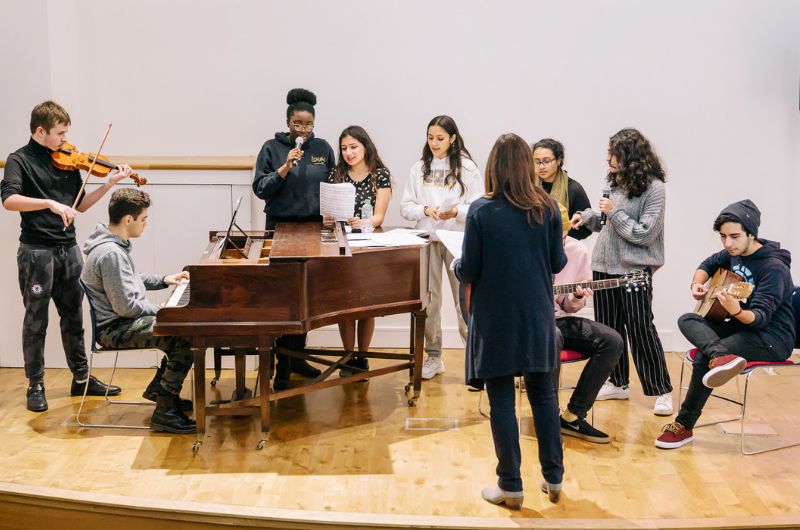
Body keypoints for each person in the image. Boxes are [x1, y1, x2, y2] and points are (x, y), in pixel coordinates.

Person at [455, 133, 567, 508]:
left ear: (493, 167)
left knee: (501, 402)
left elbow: (469, 268)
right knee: (544, 397)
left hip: (495, 319)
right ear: (525, 166)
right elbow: (557, 263)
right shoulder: (547, 208)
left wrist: (457, 265)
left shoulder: (481, 211)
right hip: (537, 316)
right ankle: (554, 479)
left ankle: (511, 486)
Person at [1, 100, 132, 412]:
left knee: (74, 315)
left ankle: (82, 378)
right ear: (40, 131)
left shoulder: (68, 161)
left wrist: (109, 184)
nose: (64, 139)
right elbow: (9, 200)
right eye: (59, 133)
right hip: (37, 252)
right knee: (36, 320)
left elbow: (80, 205)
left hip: (68, 249)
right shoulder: (19, 160)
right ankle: (35, 384)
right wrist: (49, 203)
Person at [656, 200, 795, 449]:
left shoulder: (774, 268)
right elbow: (708, 264)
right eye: (723, 237)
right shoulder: (734, 254)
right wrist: (696, 284)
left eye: (734, 236)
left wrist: (736, 310)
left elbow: (760, 318)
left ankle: (684, 425)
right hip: (742, 327)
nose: (728, 243)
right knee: (687, 319)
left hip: (771, 338)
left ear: (751, 234)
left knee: (703, 355)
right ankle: (720, 356)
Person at [571, 128, 673, 416]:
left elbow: (644, 234)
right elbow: (608, 225)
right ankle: (618, 382)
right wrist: (587, 217)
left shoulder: (655, 189)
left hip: (634, 271)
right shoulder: (615, 182)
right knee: (609, 330)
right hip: (603, 267)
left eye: (612, 153)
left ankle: (661, 390)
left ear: (631, 155)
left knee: (641, 329)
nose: (608, 158)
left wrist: (614, 211)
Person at [80, 188, 195, 434]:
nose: (146, 224)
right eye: (143, 219)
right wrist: (165, 310)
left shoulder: (113, 246)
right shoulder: (110, 253)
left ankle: (159, 391)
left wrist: (164, 280)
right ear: (128, 219)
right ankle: (165, 411)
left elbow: (131, 279)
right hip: (114, 329)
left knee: (178, 328)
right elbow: (126, 307)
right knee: (185, 336)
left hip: (119, 322)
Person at [252, 88, 335, 390]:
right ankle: (282, 365)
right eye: (297, 124)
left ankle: (298, 358)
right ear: (288, 122)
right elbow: (260, 188)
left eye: (308, 124)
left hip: (312, 230)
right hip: (280, 229)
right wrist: (285, 167)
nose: (303, 129)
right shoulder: (271, 148)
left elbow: (332, 184)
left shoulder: (323, 148)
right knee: (282, 300)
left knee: (306, 298)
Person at [400, 115, 483, 380]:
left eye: (440, 138)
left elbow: (478, 206)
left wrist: (456, 212)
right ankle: (434, 356)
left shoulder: (467, 168)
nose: (434, 143)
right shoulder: (418, 168)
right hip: (427, 239)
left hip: (458, 241)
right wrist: (425, 210)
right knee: (430, 300)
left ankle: (475, 357)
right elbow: (406, 207)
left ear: (453, 138)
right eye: (430, 138)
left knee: (465, 300)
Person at [553, 204, 623, 444]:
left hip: (558, 318)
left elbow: (568, 306)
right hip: (527, 322)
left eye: (563, 235)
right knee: (552, 337)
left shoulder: (577, 251)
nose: (559, 241)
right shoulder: (521, 249)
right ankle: (548, 415)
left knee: (612, 341)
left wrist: (576, 296)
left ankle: (573, 416)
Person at [326, 126, 392, 376]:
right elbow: (328, 212)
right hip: (341, 244)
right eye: (344, 148)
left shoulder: (380, 175)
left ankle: (362, 357)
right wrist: (328, 217)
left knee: (366, 305)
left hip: (367, 245)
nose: (348, 153)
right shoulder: (336, 174)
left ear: (365, 146)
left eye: (353, 147)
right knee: (344, 304)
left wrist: (364, 222)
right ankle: (348, 355)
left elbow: (379, 216)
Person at [533, 138, 592, 240]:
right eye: (537, 162)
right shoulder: (528, 186)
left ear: (558, 160)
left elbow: (586, 229)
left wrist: (561, 237)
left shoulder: (573, 189)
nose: (541, 166)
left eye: (546, 161)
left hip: (562, 246)